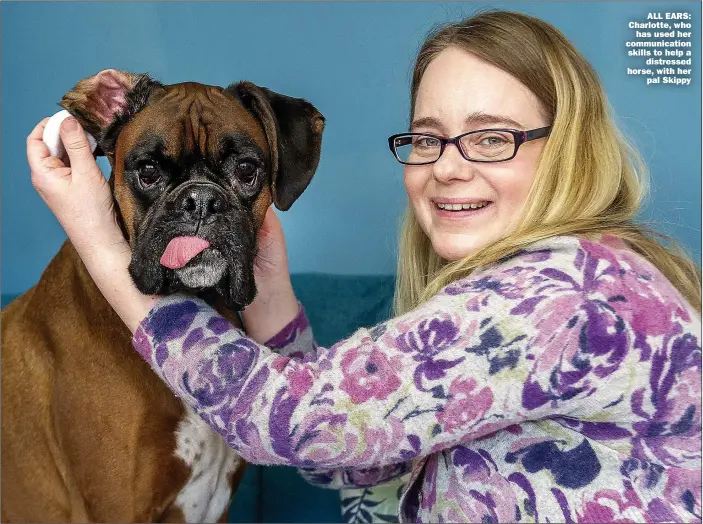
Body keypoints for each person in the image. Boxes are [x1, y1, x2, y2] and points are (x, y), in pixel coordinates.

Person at [26, 10, 701, 523]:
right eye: (429, 137)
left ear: (567, 149)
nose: (448, 166)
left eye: (492, 137)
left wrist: (96, 236)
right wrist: (269, 294)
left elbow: (291, 420)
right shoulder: (575, 277)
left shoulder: (560, 298)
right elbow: (365, 460)